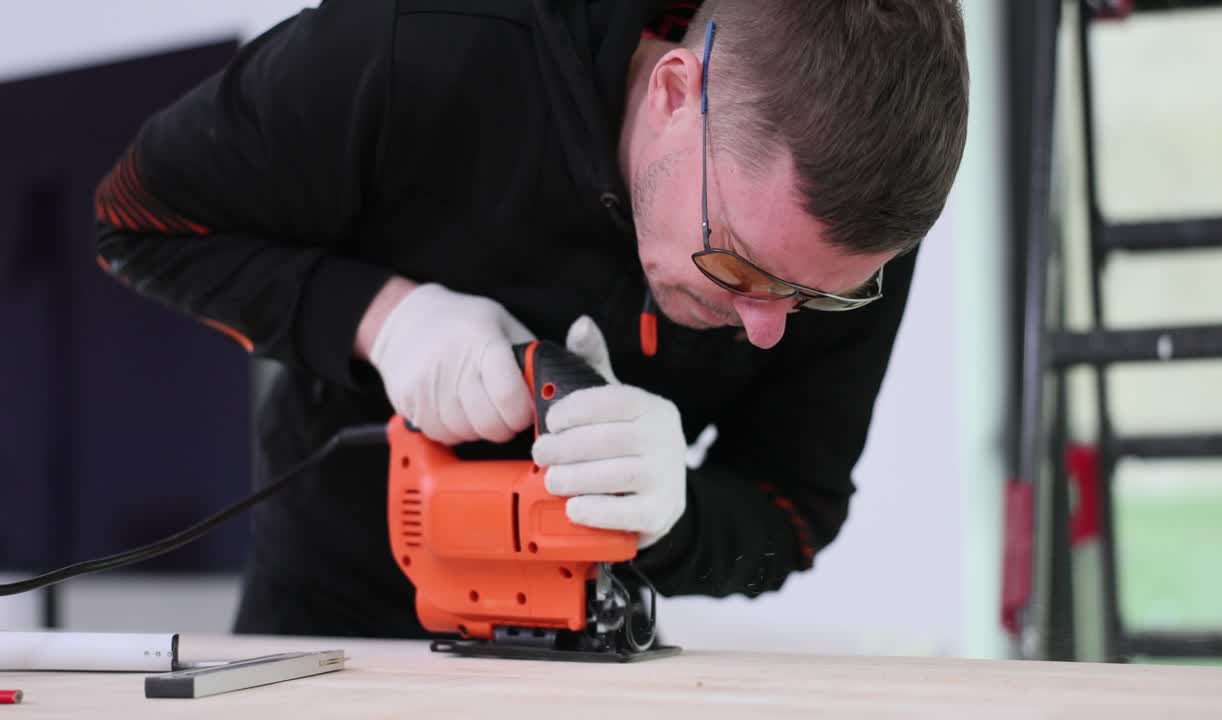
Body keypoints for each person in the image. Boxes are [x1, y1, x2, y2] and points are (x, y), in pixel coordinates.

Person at [92, 0, 969, 638]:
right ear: (674, 91)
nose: (769, 327)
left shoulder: (843, 238)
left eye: (813, 297)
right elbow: (136, 220)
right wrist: (382, 320)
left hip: (589, 634)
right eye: (736, 264)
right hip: (338, 608)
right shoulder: (423, 44)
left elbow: (796, 508)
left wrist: (675, 516)